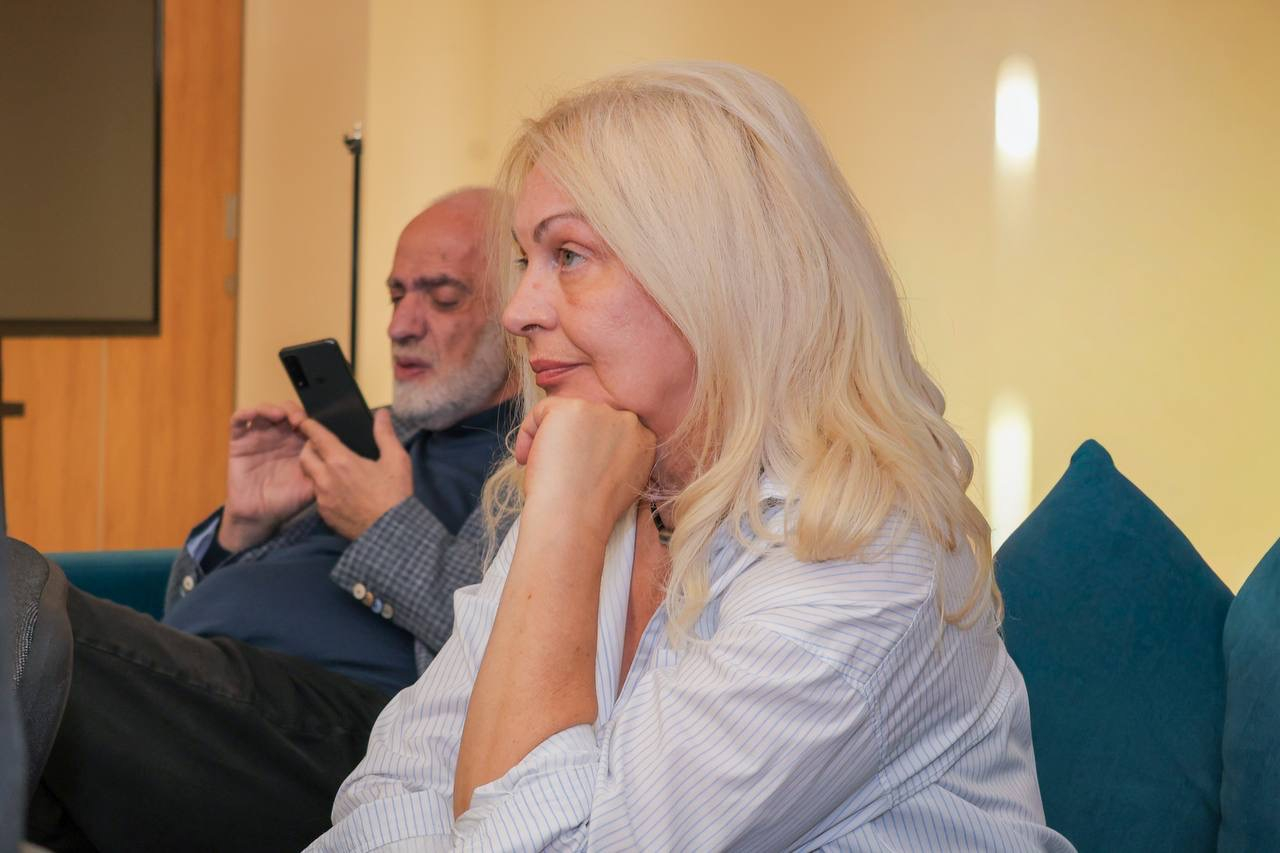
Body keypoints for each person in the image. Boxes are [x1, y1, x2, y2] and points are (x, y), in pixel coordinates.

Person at [309, 63, 1076, 851]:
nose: (518, 311)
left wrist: (562, 523)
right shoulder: (605, 494)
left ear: (712, 272)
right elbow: (380, 798)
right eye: (524, 261)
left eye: (567, 255)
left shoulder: (867, 559)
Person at [13, 188, 517, 852]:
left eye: (442, 297)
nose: (401, 324)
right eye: (397, 294)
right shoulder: (371, 434)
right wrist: (240, 531)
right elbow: (184, 612)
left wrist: (382, 522)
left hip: (330, 726)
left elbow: (514, 651)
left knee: (13, 605)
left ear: (517, 312)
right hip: (199, 695)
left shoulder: (527, 463)